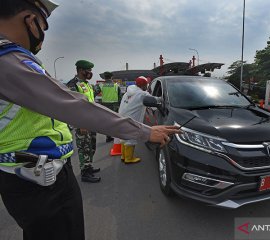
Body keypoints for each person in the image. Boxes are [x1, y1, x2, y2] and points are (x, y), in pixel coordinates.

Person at [0, 1, 181, 239]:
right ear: (30, 20)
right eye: (43, 25)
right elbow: (72, 105)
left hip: (42, 171)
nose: (43, 34)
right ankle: (86, 168)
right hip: (35, 179)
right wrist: (146, 132)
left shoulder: (16, 59)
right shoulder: (7, 61)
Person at [66, 60, 101, 183]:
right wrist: (80, 123)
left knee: (91, 145)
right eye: (88, 70)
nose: (90, 73)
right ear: (81, 70)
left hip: (92, 120)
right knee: (84, 147)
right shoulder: (72, 84)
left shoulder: (87, 84)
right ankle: (84, 172)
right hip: (82, 122)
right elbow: (73, 106)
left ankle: (88, 166)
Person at [114, 76, 153, 163]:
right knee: (131, 138)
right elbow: (154, 100)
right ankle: (129, 158)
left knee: (124, 137)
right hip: (132, 119)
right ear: (143, 85)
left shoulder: (128, 92)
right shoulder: (142, 94)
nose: (147, 86)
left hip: (122, 117)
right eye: (146, 85)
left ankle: (123, 156)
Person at [98, 71, 121, 142]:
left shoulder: (101, 85)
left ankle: (108, 136)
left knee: (107, 121)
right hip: (114, 105)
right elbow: (119, 96)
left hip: (105, 105)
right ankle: (116, 136)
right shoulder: (116, 85)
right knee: (115, 121)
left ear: (104, 78)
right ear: (111, 77)